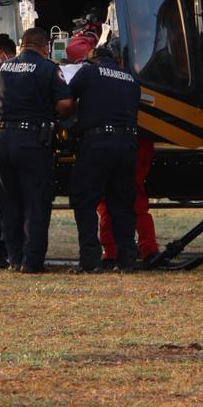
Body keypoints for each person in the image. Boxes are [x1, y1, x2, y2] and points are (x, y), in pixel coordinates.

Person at [0, 27, 74, 273]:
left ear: (21, 46)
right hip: (32, 141)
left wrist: (0, 117)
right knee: (36, 202)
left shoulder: (0, 68)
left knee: (7, 203)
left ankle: (15, 259)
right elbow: (64, 103)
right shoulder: (49, 68)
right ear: (45, 48)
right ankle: (31, 263)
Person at [68, 40, 142, 272]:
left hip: (98, 143)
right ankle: (127, 261)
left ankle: (90, 261)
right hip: (128, 144)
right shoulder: (130, 78)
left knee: (84, 200)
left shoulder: (88, 72)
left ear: (93, 59)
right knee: (122, 204)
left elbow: (66, 100)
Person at [96, 134, 161, 268]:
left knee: (111, 198)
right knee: (132, 196)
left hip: (109, 140)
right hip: (132, 138)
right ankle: (148, 250)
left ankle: (112, 254)